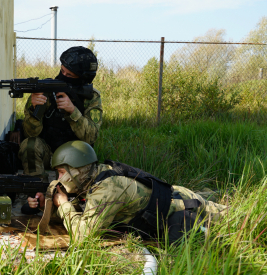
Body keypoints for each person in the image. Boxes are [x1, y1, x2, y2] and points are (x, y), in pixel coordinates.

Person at [26, 141, 229, 243]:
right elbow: (83, 209)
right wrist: (48, 205)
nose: (59, 178)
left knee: (232, 221)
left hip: (184, 204)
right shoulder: (92, 179)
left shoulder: (107, 189)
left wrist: (63, 204)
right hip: (173, 202)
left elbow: (84, 236)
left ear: (77, 170)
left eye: (62, 172)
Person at [18, 46, 103, 183]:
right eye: (62, 71)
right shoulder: (44, 90)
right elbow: (30, 134)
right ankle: (36, 189)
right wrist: (34, 109)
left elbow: (91, 137)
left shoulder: (91, 97)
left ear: (82, 79)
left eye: (69, 75)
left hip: (75, 156)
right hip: (48, 152)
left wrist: (73, 112)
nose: (63, 77)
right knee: (30, 144)